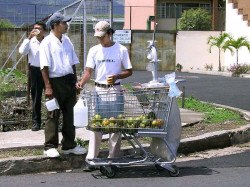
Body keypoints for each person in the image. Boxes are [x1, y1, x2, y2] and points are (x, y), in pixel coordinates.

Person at [76, 21, 133, 171]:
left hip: (114, 89)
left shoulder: (121, 50)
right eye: (98, 37)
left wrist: (117, 76)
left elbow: (129, 71)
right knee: (96, 125)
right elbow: (89, 71)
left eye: (102, 36)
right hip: (98, 90)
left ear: (110, 33)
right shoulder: (94, 50)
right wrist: (81, 83)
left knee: (115, 125)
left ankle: (112, 159)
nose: (100, 39)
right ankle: (92, 159)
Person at [39, 12, 87, 158]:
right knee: (53, 114)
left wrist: (76, 81)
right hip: (54, 82)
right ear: (55, 25)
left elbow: (72, 63)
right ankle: (50, 146)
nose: (66, 25)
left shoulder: (67, 41)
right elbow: (44, 67)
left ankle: (69, 144)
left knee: (70, 114)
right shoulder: (46, 42)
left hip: (68, 81)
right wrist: (48, 86)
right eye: (64, 23)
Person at [19, 21, 46, 131]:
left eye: (39, 28)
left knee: (51, 97)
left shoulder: (48, 41)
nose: (36, 30)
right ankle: (36, 122)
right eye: (35, 28)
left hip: (48, 70)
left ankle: (52, 122)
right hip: (35, 71)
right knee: (36, 97)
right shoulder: (30, 41)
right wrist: (29, 38)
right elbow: (22, 52)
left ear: (44, 30)